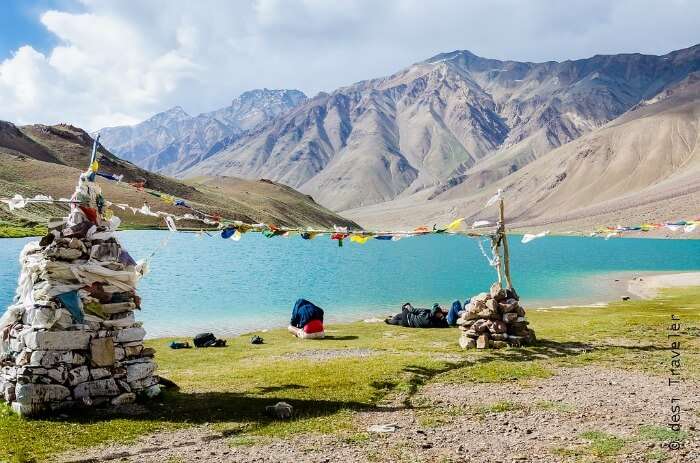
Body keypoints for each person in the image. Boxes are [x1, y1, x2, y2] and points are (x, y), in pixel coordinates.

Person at [385, 303, 449, 328]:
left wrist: (408, 305)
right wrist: (441, 317)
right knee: (399, 322)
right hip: (408, 324)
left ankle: (392, 318)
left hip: (407, 316)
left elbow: (412, 310)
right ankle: (389, 321)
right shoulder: (435, 323)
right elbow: (446, 325)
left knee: (400, 315)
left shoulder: (424, 311)